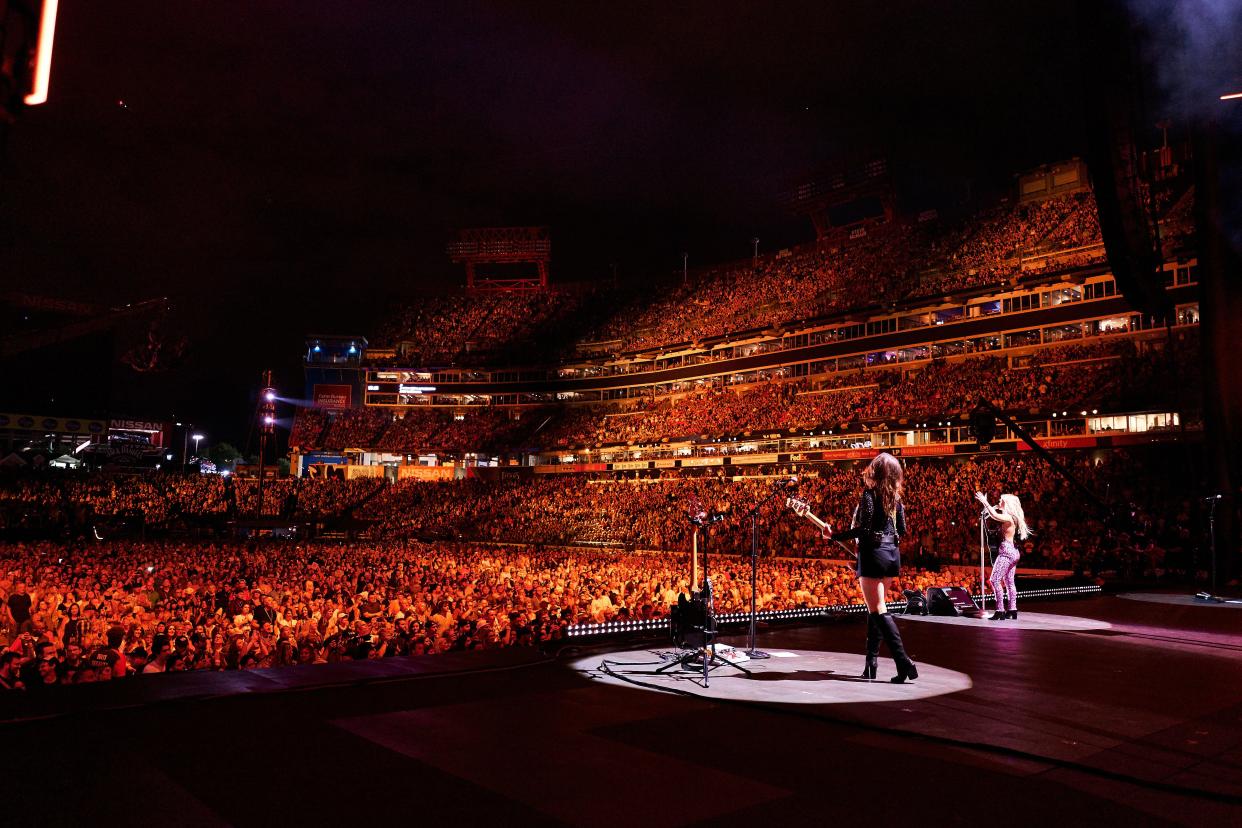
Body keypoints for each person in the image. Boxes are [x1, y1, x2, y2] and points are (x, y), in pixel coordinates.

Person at [823, 453, 918, 683]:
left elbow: (864, 529)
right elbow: (902, 530)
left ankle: (903, 661)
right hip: (891, 556)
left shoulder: (869, 494)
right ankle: (871, 664)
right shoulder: (896, 500)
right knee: (874, 608)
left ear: (874, 472)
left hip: (873, 555)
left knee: (878, 610)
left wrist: (835, 536)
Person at [974, 492, 1032, 620]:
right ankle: (1012, 609)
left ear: (1007, 503)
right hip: (1014, 552)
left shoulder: (1008, 517)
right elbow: (994, 515)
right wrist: (987, 510)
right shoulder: (1013, 517)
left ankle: (1000, 610)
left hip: (1006, 552)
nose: (999, 501)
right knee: (1009, 581)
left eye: (1001, 500)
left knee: (995, 580)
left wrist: (985, 501)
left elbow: (994, 515)